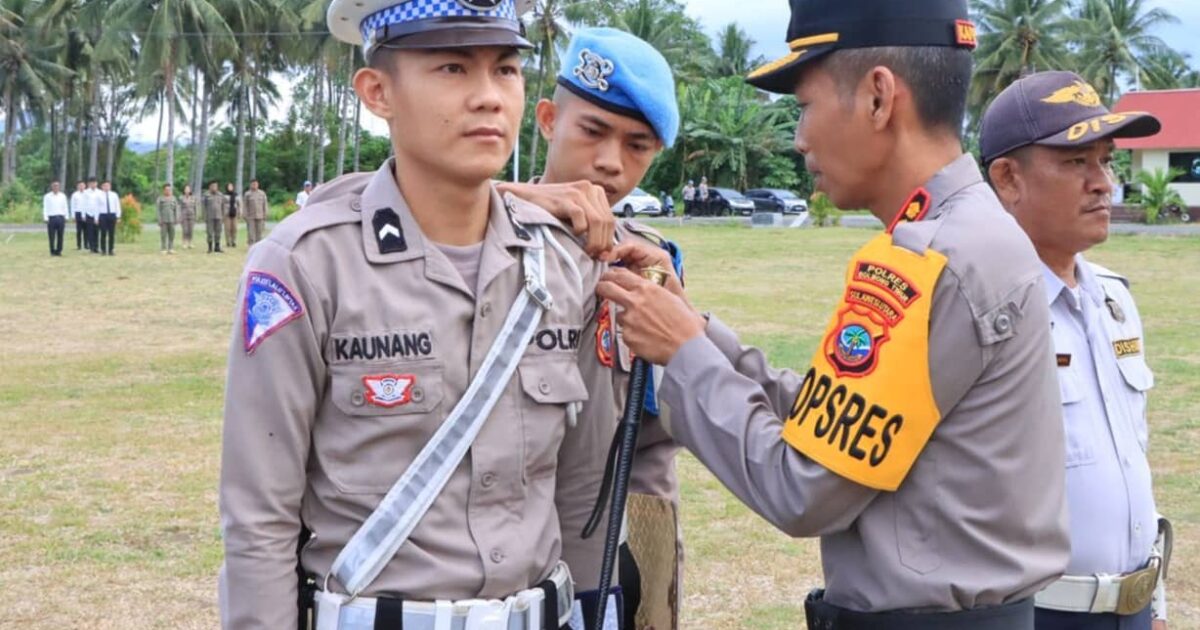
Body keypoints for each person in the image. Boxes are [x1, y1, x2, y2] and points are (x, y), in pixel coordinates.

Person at [597, 0, 1071, 628]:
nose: (799, 138)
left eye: (805, 107)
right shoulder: (968, 233)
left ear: (878, 97)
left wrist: (683, 354)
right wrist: (699, 329)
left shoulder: (929, 259)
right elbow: (835, 421)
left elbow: (803, 487)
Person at [218, 2, 627, 629]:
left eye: (507, 69)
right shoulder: (305, 266)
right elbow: (258, 516)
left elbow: (583, 487)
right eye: (453, 68)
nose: (489, 97)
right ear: (377, 92)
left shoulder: (564, 264)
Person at [494, 27, 684, 630]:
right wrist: (513, 200)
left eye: (638, 145)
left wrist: (653, 580)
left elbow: (652, 441)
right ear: (547, 119)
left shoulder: (646, 262)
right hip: (488, 563)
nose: (610, 162)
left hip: (598, 566)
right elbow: (346, 211)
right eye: (593, 131)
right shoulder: (479, 233)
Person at [980, 71, 1171, 630]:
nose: (1104, 183)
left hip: (1132, 608)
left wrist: (1154, 605)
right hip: (1037, 616)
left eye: (1106, 161)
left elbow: (1130, 451)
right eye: (1075, 162)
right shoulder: (985, 313)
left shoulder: (1112, 300)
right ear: (1008, 178)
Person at [43, 180, 68, 257]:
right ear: (52, 187)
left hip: (60, 217)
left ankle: (59, 250)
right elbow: (45, 207)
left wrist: (66, 216)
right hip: (51, 218)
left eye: (57, 186)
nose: (56, 187)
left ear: (59, 187)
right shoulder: (47, 196)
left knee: (60, 235)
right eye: (54, 186)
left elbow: (65, 206)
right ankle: (52, 251)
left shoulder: (63, 196)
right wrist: (45, 217)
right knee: (51, 236)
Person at [97, 180, 121, 256]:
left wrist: (118, 216)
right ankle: (103, 250)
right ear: (102, 187)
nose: (106, 187)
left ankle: (111, 249)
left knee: (111, 233)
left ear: (110, 186)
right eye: (105, 186)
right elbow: (96, 207)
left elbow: (117, 206)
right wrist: (96, 217)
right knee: (103, 233)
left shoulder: (114, 195)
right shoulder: (99, 195)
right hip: (102, 215)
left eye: (108, 185)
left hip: (112, 215)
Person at [244, 179, 269, 246]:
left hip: (260, 216)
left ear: (258, 185)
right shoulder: (247, 194)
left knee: (259, 232)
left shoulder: (262, 193)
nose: (254, 185)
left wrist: (266, 213)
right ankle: (251, 245)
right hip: (250, 216)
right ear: (250, 185)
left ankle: (259, 245)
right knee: (251, 232)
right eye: (253, 184)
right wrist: (245, 215)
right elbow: (245, 205)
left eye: (256, 184)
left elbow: (265, 204)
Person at [156, 184, 179, 254]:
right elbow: (158, 210)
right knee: (163, 235)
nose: (168, 191)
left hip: (172, 219)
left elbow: (176, 209)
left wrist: (176, 218)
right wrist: (159, 219)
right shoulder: (160, 198)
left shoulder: (174, 198)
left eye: (169, 190)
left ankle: (171, 248)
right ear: (163, 190)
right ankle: (163, 248)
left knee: (172, 234)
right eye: (166, 190)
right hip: (163, 220)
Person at [203, 181, 224, 254]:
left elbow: (223, 206)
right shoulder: (206, 195)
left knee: (218, 232)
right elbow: (204, 207)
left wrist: (223, 215)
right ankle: (210, 247)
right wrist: (204, 216)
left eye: (216, 186)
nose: (214, 188)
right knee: (209, 232)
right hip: (210, 216)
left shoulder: (220, 195)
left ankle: (217, 247)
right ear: (210, 187)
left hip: (219, 216)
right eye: (213, 186)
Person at [83, 177, 101, 254]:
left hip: (98, 214)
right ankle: (91, 247)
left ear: (97, 183)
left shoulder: (100, 192)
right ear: (89, 184)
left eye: (94, 183)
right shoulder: (86, 192)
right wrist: (83, 215)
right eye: (91, 183)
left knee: (96, 231)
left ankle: (96, 247)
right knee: (90, 231)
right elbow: (83, 204)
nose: (93, 184)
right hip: (89, 213)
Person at [223, 182, 241, 249]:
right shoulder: (224, 195)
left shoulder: (236, 195)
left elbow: (239, 204)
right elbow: (222, 204)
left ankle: (234, 241)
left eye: (231, 186)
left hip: (234, 213)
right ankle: (228, 242)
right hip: (227, 213)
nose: (230, 187)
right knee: (227, 228)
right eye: (229, 186)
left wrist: (240, 212)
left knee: (235, 228)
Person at [179, 184, 198, 249]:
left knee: (191, 230)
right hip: (184, 216)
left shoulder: (193, 198)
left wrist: (196, 216)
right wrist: (179, 217)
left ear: (190, 190)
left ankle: (190, 243)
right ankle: (184, 243)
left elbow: (195, 208)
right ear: (184, 190)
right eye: (186, 189)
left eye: (188, 189)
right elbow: (180, 208)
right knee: (185, 230)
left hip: (191, 216)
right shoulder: (181, 198)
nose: (187, 190)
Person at [70, 181, 87, 251]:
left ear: (85, 186)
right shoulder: (75, 195)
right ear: (77, 187)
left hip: (86, 213)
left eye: (82, 185)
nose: (81, 187)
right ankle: (79, 245)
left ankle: (86, 245)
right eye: (79, 185)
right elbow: (72, 206)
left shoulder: (87, 194)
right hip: (78, 213)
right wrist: (73, 216)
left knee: (86, 230)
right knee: (79, 230)